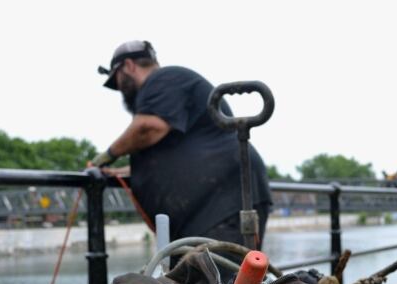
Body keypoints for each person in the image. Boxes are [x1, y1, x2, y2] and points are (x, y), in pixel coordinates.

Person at [93, 40, 272, 247]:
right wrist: (124, 172)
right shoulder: (171, 90)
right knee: (205, 275)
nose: (120, 89)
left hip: (222, 204)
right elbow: (175, 155)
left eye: (117, 80)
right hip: (211, 208)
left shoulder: (163, 79)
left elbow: (148, 127)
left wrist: (107, 155)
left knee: (220, 275)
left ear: (128, 66)